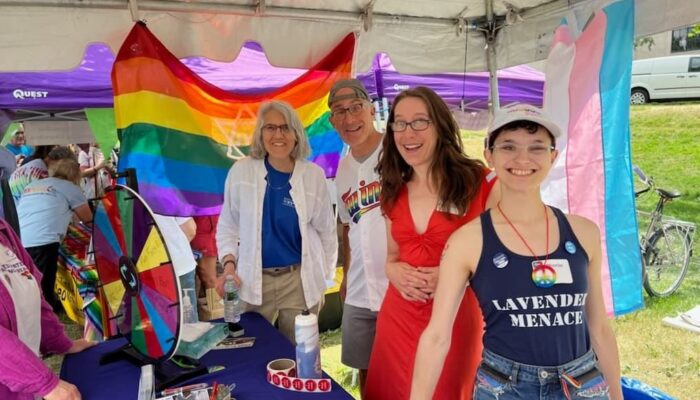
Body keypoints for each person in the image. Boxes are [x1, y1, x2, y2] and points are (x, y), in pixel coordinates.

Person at [410, 104, 622, 400]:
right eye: (508, 147)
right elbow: (437, 336)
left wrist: (617, 395)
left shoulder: (584, 233)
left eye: (536, 148)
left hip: (580, 383)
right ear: (489, 155)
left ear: (553, 156)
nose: (523, 159)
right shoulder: (467, 242)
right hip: (506, 387)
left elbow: (599, 327)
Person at [364, 87, 499, 400]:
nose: (408, 132)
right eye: (400, 123)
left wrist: (456, 276)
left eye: (420, 121)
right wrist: (392, 270)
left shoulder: (481, 183)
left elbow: (503, 260)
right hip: (398, 319)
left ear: (440, 126)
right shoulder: (393, 189)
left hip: (455, 320)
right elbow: (393, 256)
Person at [216, 100, 337, 343]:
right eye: (270, 127)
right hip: (252, 280)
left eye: (285, 127)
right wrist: (229, 266)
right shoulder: (241, 172)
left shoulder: (313, 175)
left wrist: (324, 277)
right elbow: (227, 226)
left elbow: (327, 232)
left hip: (298, 282)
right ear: (261, 134)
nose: (278, 135)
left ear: (296, 134)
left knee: (300, 354)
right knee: (252, 350)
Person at [328, 79, 388, 397]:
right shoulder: (343, 170)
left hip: (400, 286)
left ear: (371, 109)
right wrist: (346, 276)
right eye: (340, 111)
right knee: (366, 371)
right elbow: (348, 226)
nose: (349, 118)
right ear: (332, 121)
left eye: (355, 108)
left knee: (406, 369)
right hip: (360, 288)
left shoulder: (400, 150)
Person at [0, 218, 95, 400]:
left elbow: (32, 292)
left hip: (22, 384)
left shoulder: (4, 230)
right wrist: (44, 383)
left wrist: (60, 342)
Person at [18, 158, 92, 312]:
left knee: (29, 281)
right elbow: (89, 220)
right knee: (43, 282)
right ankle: (45, 314)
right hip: (42, 241)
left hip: (20, 237)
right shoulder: (70, 187)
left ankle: (42, 308)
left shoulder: (33, 185)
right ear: (75, 175)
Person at [9, 145, 75, 205]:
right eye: (65, 166)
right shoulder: (42, 174)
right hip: (19, 209)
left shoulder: (36, 164)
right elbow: (47, 201)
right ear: (59, 161)